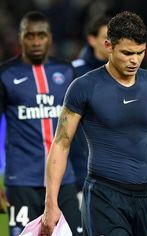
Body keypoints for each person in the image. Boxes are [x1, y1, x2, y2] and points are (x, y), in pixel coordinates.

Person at [41, 11, 147, 236]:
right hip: (103, 196)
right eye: (127, 53)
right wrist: (51, 203)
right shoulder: (84, 87)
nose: (135, 60)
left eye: (140, 52)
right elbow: (60, 144)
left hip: (143, 198)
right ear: (108, 45)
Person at [0, 11, 82, 236]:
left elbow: (83, 127)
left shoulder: (67, 71)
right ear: (20, 38)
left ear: (50, 38)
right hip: (23, 181)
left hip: (64, 179)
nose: (36, 42)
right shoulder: (5, 74)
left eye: (41, 35)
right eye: (30, 36)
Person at [70, 14, 110, 195]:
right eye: (106, 38)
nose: (111, 43)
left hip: (120, 174)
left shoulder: (127, 72)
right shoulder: (73, 73)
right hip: (83, 173)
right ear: (92, 40)